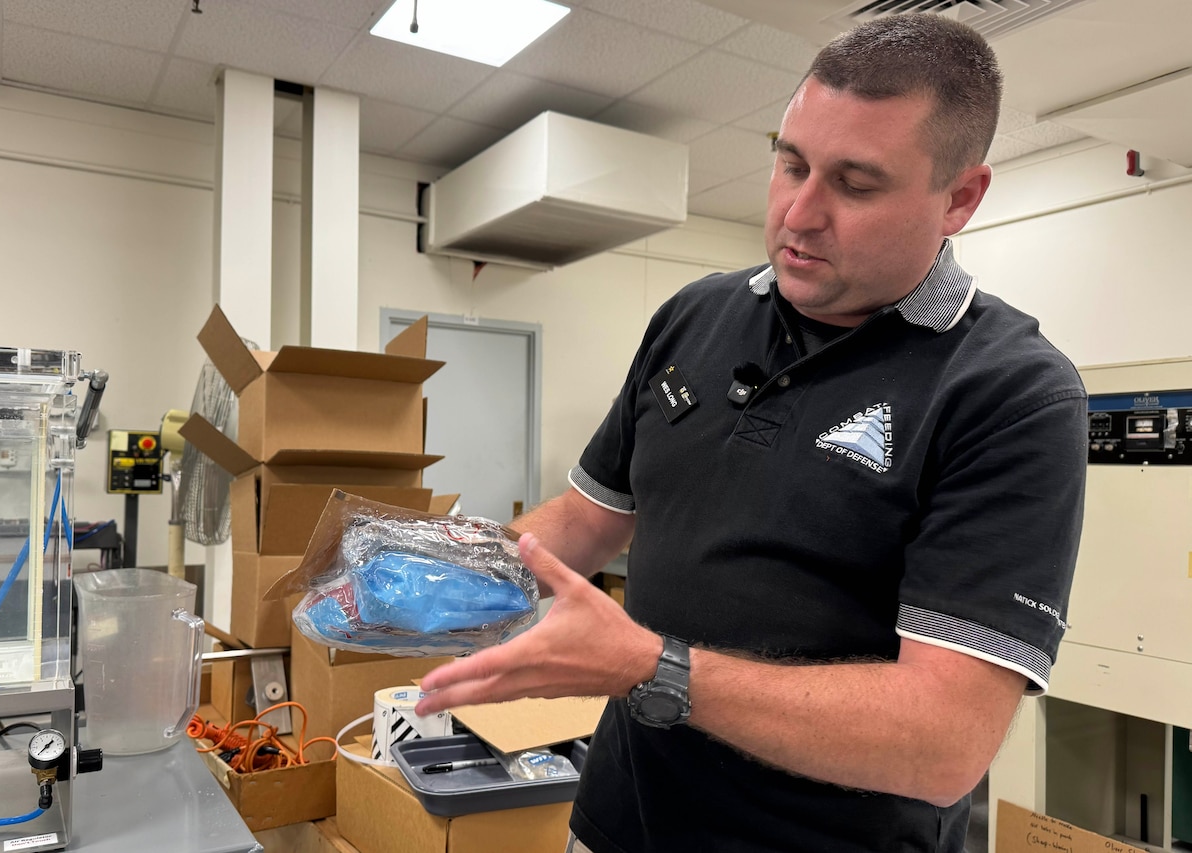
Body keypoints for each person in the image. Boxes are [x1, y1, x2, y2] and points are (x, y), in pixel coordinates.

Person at [416, 12, 1087, 853]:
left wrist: (650, 667)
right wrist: (438, 576)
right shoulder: (695, 314)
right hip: (618, 825)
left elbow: (943, 740)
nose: (799, 213)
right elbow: (589, 520)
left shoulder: (1010, 391)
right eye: (791, 162)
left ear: (959, 197)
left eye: (856, 183)